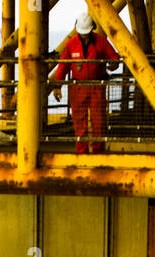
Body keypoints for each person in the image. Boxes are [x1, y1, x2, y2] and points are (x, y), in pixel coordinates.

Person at [51, 13, 120, 155]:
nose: (85, 36)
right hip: (78, 87)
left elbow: (114, 57)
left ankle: (98, 151)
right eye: (83, 34)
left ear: (92, 29)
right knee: (79, 121)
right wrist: (57, 86)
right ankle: (81, 152)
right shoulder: (71, 44)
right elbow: (63, 66)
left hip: (96, 86)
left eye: (87, 33)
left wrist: (113, 65)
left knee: (98, 120)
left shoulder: (101, 41)